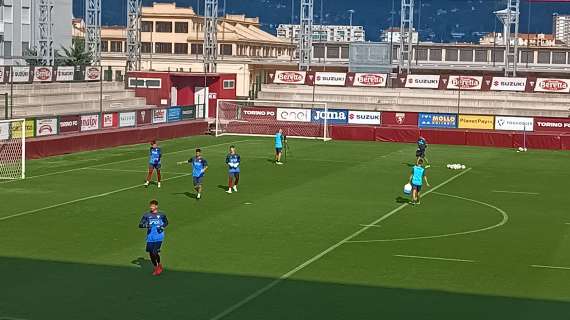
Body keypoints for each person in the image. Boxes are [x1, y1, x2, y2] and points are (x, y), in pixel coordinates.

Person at [138, 199, 168, 276]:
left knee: (155, 251)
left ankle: (159, 265)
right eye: (150, 206)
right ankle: (156, 267)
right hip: (150, 237)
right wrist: (147, 225)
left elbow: (166, 222)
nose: (151, 207)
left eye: (153, 206)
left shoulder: (161, 214)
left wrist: (162, 226)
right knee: (151, 253)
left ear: (156, 206)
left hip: (159, 236)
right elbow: (140, 225)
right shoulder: (146, 215)